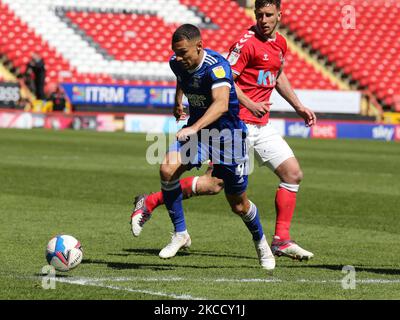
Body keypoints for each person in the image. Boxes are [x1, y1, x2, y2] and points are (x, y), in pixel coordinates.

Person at [131, 0, 317, 261]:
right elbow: (227, 79)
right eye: (259, 15)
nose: (263, 20)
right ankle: (155, 205)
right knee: (212, 185)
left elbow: (277, 75)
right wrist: (249, 104)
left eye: (268, 15)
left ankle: (281, 240)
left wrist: (298, 105)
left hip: (257, 126)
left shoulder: (281, 44)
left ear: (279, 15)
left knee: (291, 174)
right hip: (231, 121)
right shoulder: (244, 44)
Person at [143, 23, 275, 270]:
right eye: (176, 52)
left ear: (200, 46)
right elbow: (182, 77)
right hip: (199, 133)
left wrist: (192, 128)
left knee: (238, 204)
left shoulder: (217, 67)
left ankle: (260, 242)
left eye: (184, 52)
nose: (179, 58)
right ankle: (180, 233)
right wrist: (178, 101)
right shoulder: (176, 62)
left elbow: (221, 104)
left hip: (228, 138)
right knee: (167, 170)